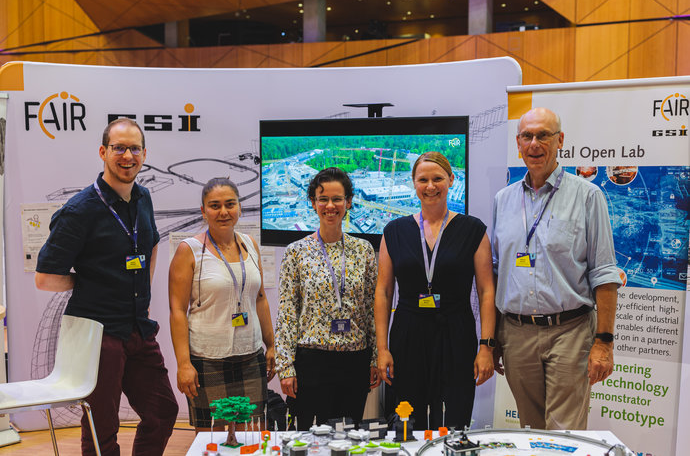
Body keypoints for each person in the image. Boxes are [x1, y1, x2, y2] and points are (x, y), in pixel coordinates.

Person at [35, 118, 178, 456]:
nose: (128, 156)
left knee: (162, 410)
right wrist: (91, 281)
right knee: (101, 427)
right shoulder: (79, 210)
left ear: (144, 154)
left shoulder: (143, 197)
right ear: (103, 152)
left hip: (138, 328)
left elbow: (151, 244)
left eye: (135, 149)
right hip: (98, 335)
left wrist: (141, 288)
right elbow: (45, 278)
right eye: (119, 148)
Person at [491, 107, 621, 430]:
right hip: (516, 334)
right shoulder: (503, 200)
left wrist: (604, 342)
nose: (534, 143)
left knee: (564, 436)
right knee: (530, 431)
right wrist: (491, 340)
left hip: (570, 332)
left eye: (543, 135)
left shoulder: (588, 196)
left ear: (560, 140)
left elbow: (604, 274)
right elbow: (496, 273)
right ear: (518, 144)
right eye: (527, 136)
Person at [375, 151, 496, 430]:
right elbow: (383, 292)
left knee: (454, 418)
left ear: (451, 180)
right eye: (423, 180)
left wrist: (486, 347)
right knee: (408, 421)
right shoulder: (394, 231)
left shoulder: (473, 230)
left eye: (438, 179)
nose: (430, 186)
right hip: (408, 336)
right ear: (414, 183)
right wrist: (382, 349)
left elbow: (486, 291)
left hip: (456, 334)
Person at [168, 177, 276, 444]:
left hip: (250, 356)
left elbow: (260, 298)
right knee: (212, 440)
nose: (223, 212)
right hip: (208, 359)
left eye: (230, 204)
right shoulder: (189, 250)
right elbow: (177, 310)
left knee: (252, 435)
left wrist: (271, 345)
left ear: (239, 207)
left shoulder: (250, 244)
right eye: (214, 206)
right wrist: (183, 364)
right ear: (203, 211)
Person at [275, 167, 379, 429]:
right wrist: (285, 367)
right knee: (308, 438)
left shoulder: (364, 250)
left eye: (337, 199)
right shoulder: (296, 252)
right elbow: (287, 312)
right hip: (311, 362)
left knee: (347, 436)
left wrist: (375, 358)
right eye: (323, 199)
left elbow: (371, 309)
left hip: (355, 361)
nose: (330, 206)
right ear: (313, 203)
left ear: (348, 202)